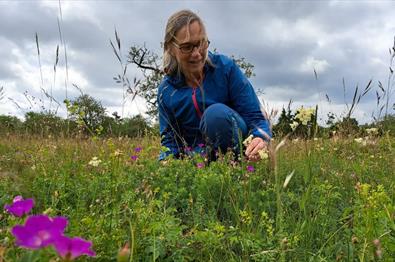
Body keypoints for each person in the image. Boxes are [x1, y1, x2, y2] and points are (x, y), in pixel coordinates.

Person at [158, 9, 271, 162]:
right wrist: (165, 166)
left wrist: (260, 138)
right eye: (187, 47)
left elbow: (255, 116)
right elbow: (170, 143)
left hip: (238, 148)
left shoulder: (225, 68)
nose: (197, 54)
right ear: (170, 48)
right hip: (198, 160)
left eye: (201, 43)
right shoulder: (167, 90)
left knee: (215, 115)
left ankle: (236, 166)